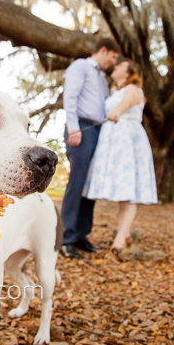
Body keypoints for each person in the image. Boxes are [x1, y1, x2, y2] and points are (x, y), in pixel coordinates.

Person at [83, 59, 158, 257]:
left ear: (129, 72)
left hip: (127, 140)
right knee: (122, 192)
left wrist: (115, 112)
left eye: (119, 66)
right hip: (113, 140)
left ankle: (119, 241)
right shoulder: (115, 90)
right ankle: (124, 235)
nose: (114, 68)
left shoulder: (133, 89)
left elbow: (122, 107)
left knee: (129, 191)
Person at [60, 38, 121, 259]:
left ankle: (81, 235)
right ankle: (66, 238)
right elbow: (71, 97)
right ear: (103, 51)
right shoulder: (81, 66)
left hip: (98, 132)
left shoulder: (102, 79)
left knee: (90, 184)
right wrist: (74, 128)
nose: (113, 62)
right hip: (82, 129)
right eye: (113, 57)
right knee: (78, 181)